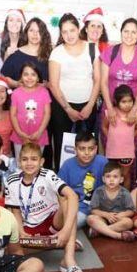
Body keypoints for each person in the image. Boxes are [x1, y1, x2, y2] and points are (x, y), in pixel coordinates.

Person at [4, 143, 85, 272]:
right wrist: (21, 231)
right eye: (25, 159)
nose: (29, 163)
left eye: (34, 159)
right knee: (9, 250)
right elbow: (15, 211)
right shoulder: (12, 181)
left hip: (52, 222)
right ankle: (62, 243)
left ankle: (68, 260)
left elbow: (73, 196)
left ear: (41, 162)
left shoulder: (48, 175)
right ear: (19, 161)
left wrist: (65, 230)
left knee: (67, 203)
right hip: (30, 227)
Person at [48, 13, 101, 170]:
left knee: (87, 149)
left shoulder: (92, 48)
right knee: (62, 148)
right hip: (63, 108)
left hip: (87, 106)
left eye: (72, 30)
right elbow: (53, 84)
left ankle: (87, 185)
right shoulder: (57, 52)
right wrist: (68, 109)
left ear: (79, 29)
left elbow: (97, 79)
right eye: (64, 32)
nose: (69, 35)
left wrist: (90, 106)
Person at [99, 18, 137, 119]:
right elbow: (103, 82)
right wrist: (110, 108)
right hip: (110, 106)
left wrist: (134, 110)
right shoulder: (110, 52)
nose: (129, 35)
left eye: (133, 32)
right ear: (121, 32)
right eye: (126, 31)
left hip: (133, 109)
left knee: (131, 134)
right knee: (108, 133)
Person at [102, 85, 137, 189]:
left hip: (126, 151)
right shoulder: (111, 113)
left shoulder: (135, 115)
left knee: (125, 175)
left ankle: (125, 196)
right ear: (116, 101)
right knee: (112, 174)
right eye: (123, 102)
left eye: (130, 101)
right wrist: (111, 137)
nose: (127, 104)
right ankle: (112, 194)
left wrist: (128, 137)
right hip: (112, 151)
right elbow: (104, 127)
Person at [57, 132, 108, 229]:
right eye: (82, 149)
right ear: (75, 150)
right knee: (65, 223)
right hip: (77, 208)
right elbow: (59, 192)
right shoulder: (67, 165)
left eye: (91, 149)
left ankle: (98, 225)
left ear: (96, 149)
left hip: (98, 208)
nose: (87, 153)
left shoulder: (102, 162)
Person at [86, 161, 137, 241]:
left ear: (121, 179)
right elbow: (93, 210)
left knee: (129, 222)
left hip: (118, 220)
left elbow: (131, 211)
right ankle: (117, 235)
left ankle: (100, 231)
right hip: (102, 219)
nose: (111, 180)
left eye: (115, 177)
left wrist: (121, 215)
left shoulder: (125, 193)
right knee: (90, 218)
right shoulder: (98, 191)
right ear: (103, 179)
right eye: (108, 176)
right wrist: (106, 215)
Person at [10, 62, 51, 158]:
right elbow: (13, 115)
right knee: (21, 162)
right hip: (20, 135)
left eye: (33, 74)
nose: (29, 78)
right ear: (21, 76)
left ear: (38, 78)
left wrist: (40, 132)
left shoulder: (44, 92)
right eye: (26, 74)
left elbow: (47, 113)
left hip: (39, 135)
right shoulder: (16, 93)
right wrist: (20, 133)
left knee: (36, 162)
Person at [1, 17, 52, 88]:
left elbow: (56, 80)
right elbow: (3, 77)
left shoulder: (50, 55)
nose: (35, 34)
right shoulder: (15, 54)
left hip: (43, 98)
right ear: (26, 33)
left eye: (39, 31)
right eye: (31, 30)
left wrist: (46, 85)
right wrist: (16, 84)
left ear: (43, 34)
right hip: (20, 97)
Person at [0, 9, 26, 74]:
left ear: (22, 25)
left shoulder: (26, 42)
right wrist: (6, 57)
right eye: (11, 20)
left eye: (18, 21)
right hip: (4, 78)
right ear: (6, 24)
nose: (14, 24)